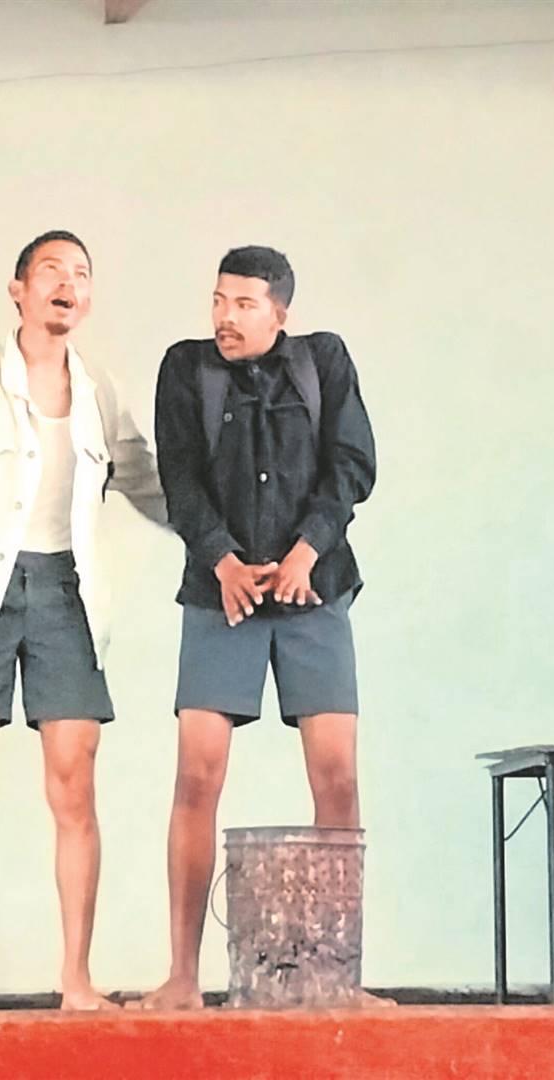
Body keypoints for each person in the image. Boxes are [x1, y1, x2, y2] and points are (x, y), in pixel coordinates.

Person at [0, 230, 166, 1013]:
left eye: (80, 273)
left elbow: (148, 484)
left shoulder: (99, 390)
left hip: (65, 596)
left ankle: (76, 979)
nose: (67, 283)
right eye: (51, 270)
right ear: (17, 288)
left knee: (74, 785)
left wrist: (226, 540)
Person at [134, 245, 377, 1009]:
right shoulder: (186, 368)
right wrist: (223, 561)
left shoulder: (322, 361)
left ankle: (337, 979)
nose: (224, 317)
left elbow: (351, 466)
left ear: (279, 313)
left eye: (242, 304)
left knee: (336, 780)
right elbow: (178, 478)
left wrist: (306, 552)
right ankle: (181, 976)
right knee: (195, 776)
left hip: (313, 590)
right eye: (217, 301)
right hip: (222, 596)